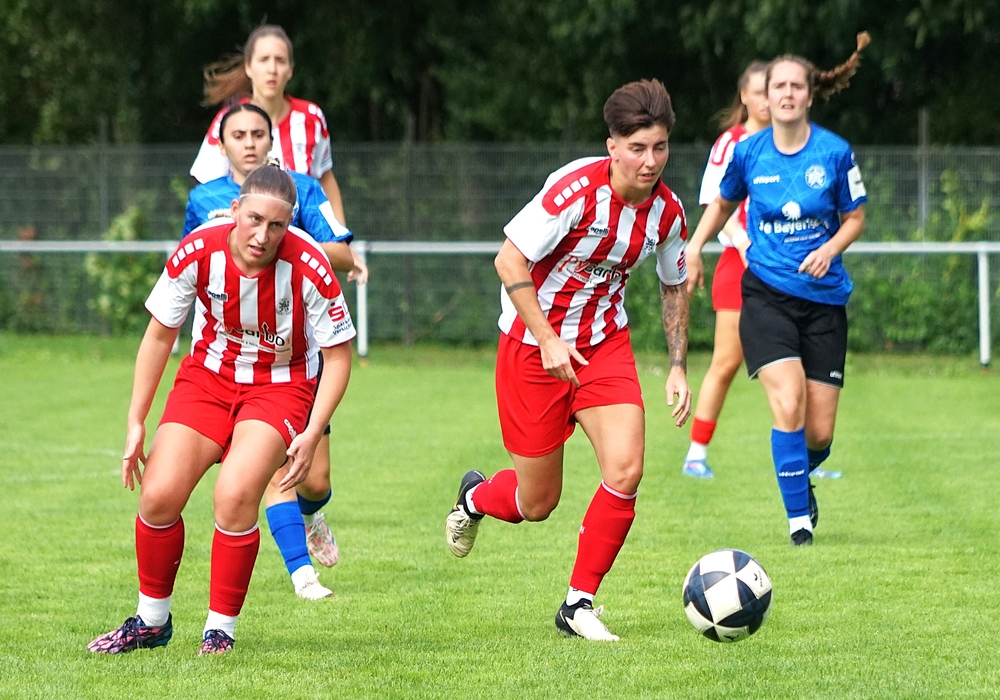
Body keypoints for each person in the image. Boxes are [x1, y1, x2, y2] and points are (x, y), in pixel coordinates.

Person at [445, 79, 692, 641]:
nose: (650, 161)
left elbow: (674, 284)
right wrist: (549, 339)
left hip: (604, 345)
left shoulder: (668, 213)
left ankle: (578, 604)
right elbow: (508, 261)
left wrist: (677, 364)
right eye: (637, 148)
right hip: (532, 350)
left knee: (626, 470)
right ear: (612, 147)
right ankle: (475, 497)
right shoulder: (574, 190)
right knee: (537, 503)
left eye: (659, 147)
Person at [87, 165, 356, 655]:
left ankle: (220, 630)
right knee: (158, 496)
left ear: (289, 224)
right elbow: (160, 335)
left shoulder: (309, 265)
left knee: (233, 496)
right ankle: (151, 622)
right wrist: (135, 421)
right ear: (235, 210)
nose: (263, 235)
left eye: (277, 225)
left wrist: (314, 429)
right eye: (254, 219)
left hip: (280, 386)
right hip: (207, 380)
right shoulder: (198, 250)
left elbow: (338, 357)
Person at [686, 33, 870, 546]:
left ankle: (800, 477)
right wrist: (695, 247)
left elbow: (855, 218)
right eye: (778, 86)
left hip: (824, 300)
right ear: (764, 96)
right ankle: (799, 524)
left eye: (796, 86)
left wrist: (830, 248)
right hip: (765, 296)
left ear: (810, 95)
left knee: (819, 433)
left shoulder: (835, 152)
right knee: (787, 402)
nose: (787, 93)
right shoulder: (747, 152)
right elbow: (721, 205)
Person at [184, 103, 355, 600]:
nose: (249, 143)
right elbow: (190, 263)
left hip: (296, 353)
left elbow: (343, 253)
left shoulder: (302, 190)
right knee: (270, 470)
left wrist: (281, 238)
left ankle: (312, 514)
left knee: (314, 480)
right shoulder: (204, 199)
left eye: (258, 133)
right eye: (238, 135)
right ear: (221, 145)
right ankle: (304, 577)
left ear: (271, 141)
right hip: (230, 359)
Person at [191, 24, 368, 284]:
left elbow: (325, 178)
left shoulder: (311, 118)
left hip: (300, 264)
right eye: (264, 60)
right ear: (249, 67)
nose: (272, 69)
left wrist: (340, 241)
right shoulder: (228, 122)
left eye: (280, 60)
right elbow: (208, 192)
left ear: (290, 69)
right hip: (246, 263)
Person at [682, 61, 770, 479]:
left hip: (785, 264)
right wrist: (743, 241)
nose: (768, 100)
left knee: (797, 362)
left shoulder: (793, 141)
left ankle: (808, 457)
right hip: (740, 263)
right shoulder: (731, 143)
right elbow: (716, 204)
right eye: (760, 91)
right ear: (744, 96)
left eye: (774, 90)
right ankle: (696, 454)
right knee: (727, 361)